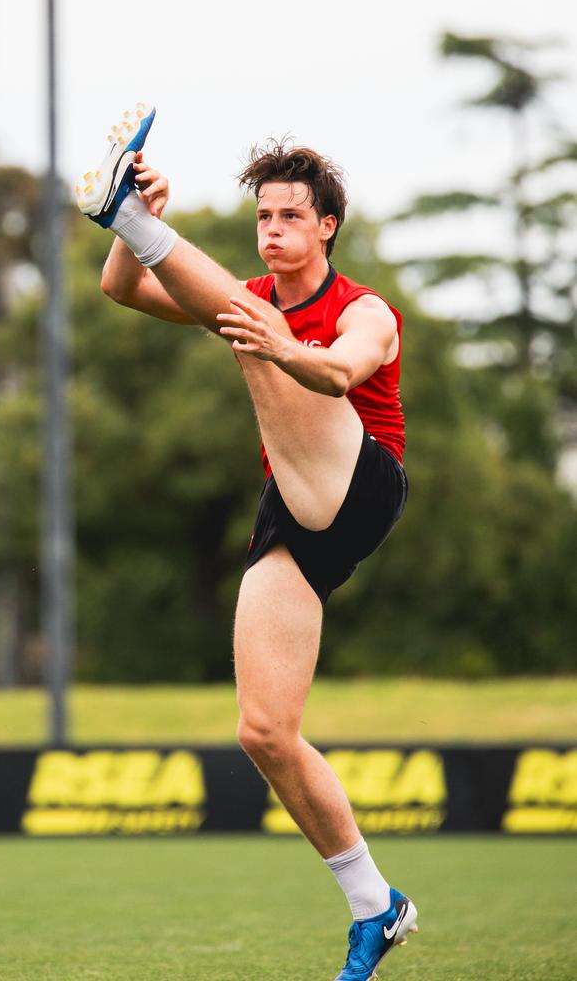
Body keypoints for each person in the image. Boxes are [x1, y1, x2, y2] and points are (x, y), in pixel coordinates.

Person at [76, 103, 418, 981]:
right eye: (263, 216)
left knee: (247, 337)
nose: (273, 229)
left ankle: (131, 215)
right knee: (265, 732)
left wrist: (276, 342)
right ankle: (376, 906)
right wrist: (136, 225)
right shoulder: (250, 304)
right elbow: (120, 291)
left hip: (360, 480)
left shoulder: (362, 307)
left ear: (327, 227)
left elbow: (344, 369)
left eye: (290, 216)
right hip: (294, 512)